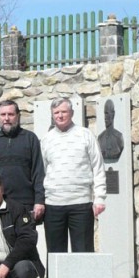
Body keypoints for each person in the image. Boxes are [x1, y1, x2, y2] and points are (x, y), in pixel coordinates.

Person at [41, 97, 106, 253]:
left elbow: (98, 167)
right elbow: (42, 172)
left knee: (83, 252)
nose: (60, 115)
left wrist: (100, 198)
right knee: (55, 254)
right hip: (53, 205)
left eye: (64, 111)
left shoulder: (85, 135)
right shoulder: (46, 139)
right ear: (52, 115)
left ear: (72, 113)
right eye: (56, 112)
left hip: (81, 204)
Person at [0, 100, 45, 222]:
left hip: (26, 203)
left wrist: (39, 201)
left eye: (10, 114)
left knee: (26, 240)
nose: (6, 118)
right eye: (3, 115)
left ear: (18, 116)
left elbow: (38, 172)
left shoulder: (30, 138)